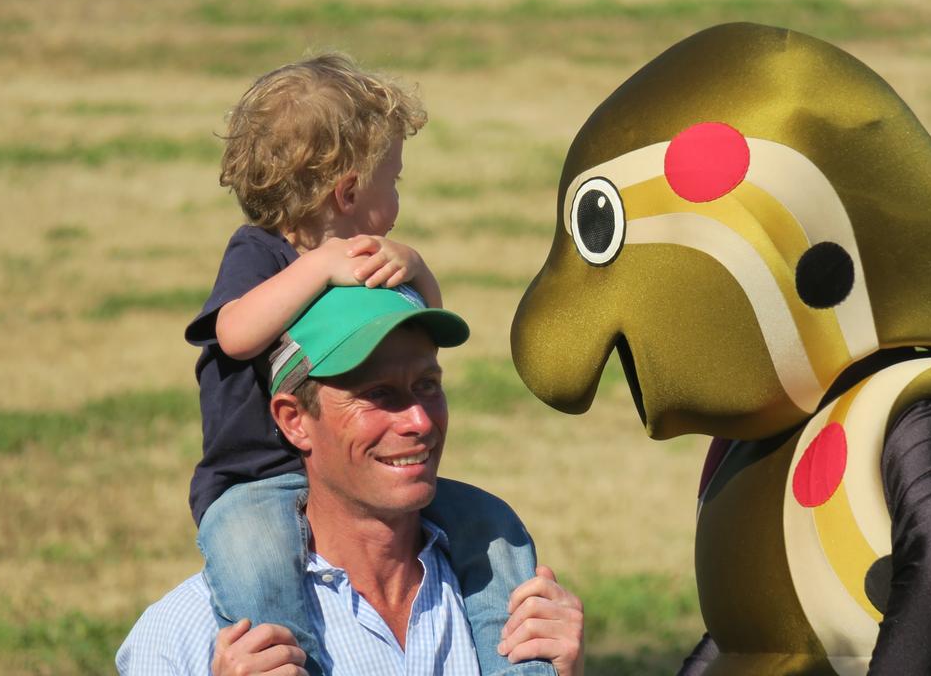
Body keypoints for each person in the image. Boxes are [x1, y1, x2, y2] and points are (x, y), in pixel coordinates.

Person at [182, 53, 552, 675]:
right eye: (396, 179)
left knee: (490, 524)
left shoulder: (372, 259)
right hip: (256, 483)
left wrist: (417, 266)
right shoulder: (261, 253)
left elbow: (428, 326)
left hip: (349, 478)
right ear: (350, 191)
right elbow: (235, 332)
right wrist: (318, 268)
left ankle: (517, 666)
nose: (399, 195)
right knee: (257, 568)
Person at [119, 286, 585, 675]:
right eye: (377, 395)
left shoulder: (502, 600)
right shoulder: (187, 636)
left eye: (427, 385)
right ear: (294, 420)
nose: (420, 420)